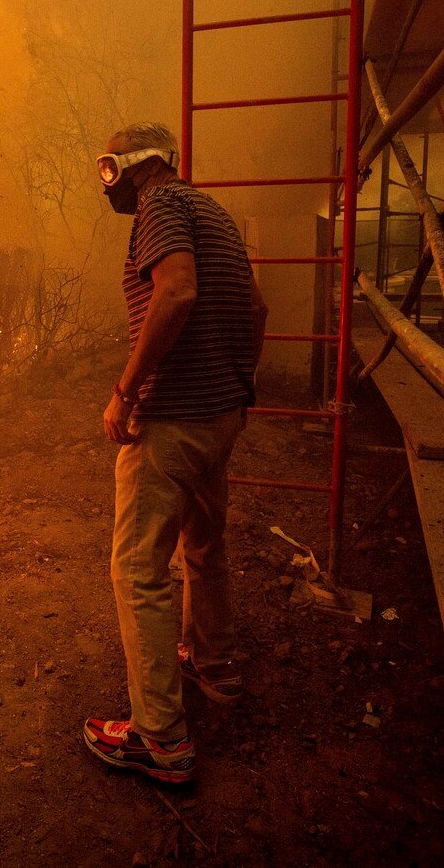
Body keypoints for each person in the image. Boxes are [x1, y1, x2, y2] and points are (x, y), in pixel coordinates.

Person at [81, 121, 268, 785]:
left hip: (172, 422)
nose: (109, 183)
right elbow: (257, 305)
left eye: (108, 169)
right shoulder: (211, 211)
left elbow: (178, 290)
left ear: (129, 167)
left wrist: (126, 391)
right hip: (220, 416)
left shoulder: (159, 205)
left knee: (137, 569)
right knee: (204, 545)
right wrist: (236, 381)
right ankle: (215, 665)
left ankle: (159, 736)